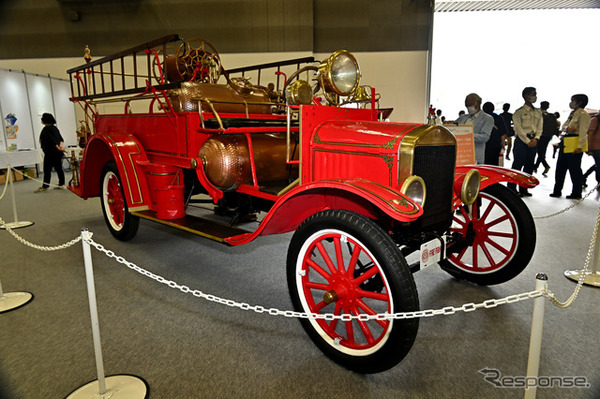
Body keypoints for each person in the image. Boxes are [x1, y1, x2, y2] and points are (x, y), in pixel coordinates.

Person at [549, 94, 591, 200]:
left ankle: (576, 192)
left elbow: (583, 132)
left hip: (574, 143)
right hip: (565, 141)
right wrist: (568, 129)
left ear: (579, 102)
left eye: (573, 100)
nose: (571, 103)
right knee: (560, 168)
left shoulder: (583, 115)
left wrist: (580, 146)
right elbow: (564, 127)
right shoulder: (573, 114)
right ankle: (557, 190)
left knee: (574, 169)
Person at [507, 87, 542, 197]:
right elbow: (518, 129)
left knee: (529, 165)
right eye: (533, 94)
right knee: (518, 165)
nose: (535, 96)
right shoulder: (519, 112)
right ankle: (512, 188)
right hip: (522, 141)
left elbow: (540, 126)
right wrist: (527, 141)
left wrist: (536, 138)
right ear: (526, 96)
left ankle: (524, 188)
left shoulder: (538, 112)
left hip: (534, 140)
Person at [455, 93, 494, 164]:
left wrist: (466, 135)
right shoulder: (462, 118)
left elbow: (485, 137)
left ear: (479, 103)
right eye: (467, 106)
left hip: (475, 157)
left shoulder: (487, 118)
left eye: (471, 105)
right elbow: (454, 129)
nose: (469, 108)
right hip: (460, 155)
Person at [35, 113, 66, 193]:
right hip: (56, 153)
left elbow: (52, 141)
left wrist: (57, 147)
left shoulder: (47, 129)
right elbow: (61, 140)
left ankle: (45, 186)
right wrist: (59, 147)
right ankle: (62, 184)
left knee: (47, 170)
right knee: (59, 168)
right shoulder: (55, 128)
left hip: (50, 153)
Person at [534, 101, 559, 176]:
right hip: (548, 137)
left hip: (539, 136)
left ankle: (545, 166)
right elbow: (555, 127)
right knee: (542, 152)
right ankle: (536, 166)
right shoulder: (551, 116)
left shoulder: (538, 115)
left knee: (539, 152)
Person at [583, 112, 600, 188]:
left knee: (598, 164)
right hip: (595, 146)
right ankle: (599, 181)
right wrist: (588, 146)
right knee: (598, 164)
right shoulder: (595, 119)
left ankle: (584, 177)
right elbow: (590, 134)